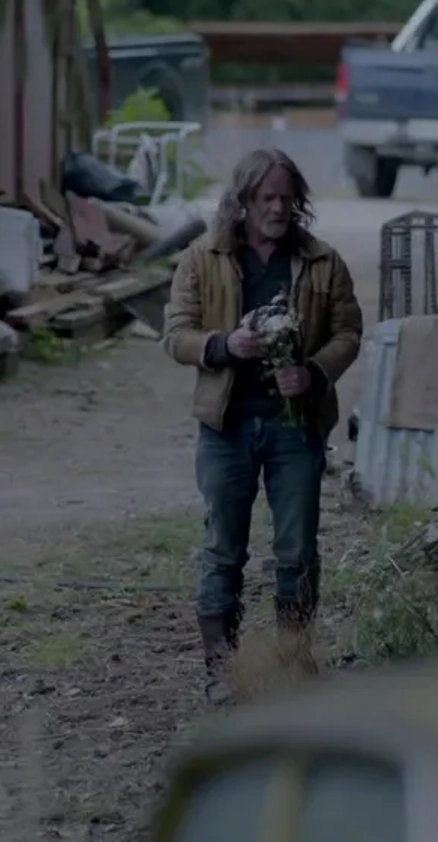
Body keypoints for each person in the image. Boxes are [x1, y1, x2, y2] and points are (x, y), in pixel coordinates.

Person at [160, 148, 363, 705]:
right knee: (223, 549)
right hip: (226, 428)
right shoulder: (204, 258)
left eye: (286, 197)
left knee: (297, 550)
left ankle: (296, 664)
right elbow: (174, 333)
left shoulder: (322, 262)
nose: (277, 207)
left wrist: (315, 373)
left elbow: (349, 332)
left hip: (295, 430)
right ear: (243, 201)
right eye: (266, 198)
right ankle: (221, 671)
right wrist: (225, 344)